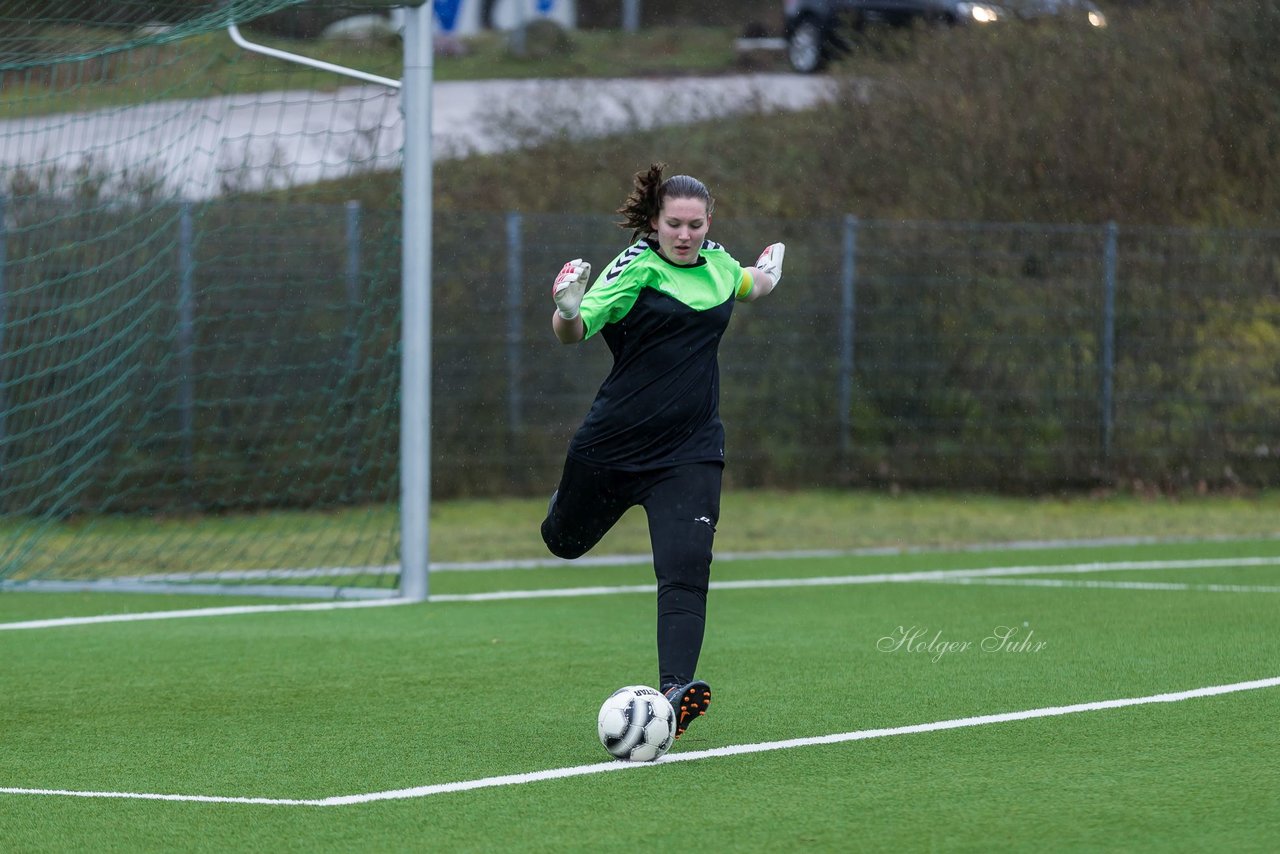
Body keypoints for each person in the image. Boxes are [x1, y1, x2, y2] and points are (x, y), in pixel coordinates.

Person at [540, 163, 785, 740]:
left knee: (685, 572)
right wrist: (568, 309)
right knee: (563, 543)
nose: (684, 234)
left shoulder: (720, 263)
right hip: (612, 448)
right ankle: (564, 507)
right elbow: (571, 334)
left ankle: (674, 692)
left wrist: (770, 271)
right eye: (673, 224)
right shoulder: (633, 269)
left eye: (695, 224)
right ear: (653, 222)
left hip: (691, 452)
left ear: (708, 223)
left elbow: (749, 284)